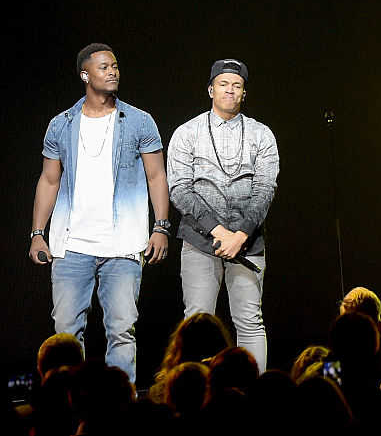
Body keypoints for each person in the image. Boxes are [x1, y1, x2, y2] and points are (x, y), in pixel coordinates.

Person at [28, 42, 170, 383]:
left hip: (122, 245)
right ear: (85, 75)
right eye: (104, 67)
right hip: (71, 245)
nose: (113, 72)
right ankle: (67, 405)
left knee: (122, 331)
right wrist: (37, 234)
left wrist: (161, 226)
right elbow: (49, 181)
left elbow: (157, 176)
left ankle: (120, 410)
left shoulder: (138, 121)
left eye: (115, 66)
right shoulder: (61, 124)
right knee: (65, 334)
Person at [167, 59, 280, 372]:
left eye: (237, 85)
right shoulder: (187, 133)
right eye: (223, 84)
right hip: (199, 242)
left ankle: (253, 394)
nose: (230, 90)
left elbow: (265, 189)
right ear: (210, 89)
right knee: (197, 321)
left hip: (248, 242)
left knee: (250, 320)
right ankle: (194, 395)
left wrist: (240, 235)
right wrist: (219, 232)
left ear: (244, 93)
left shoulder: (261, 134)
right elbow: (179, 190)